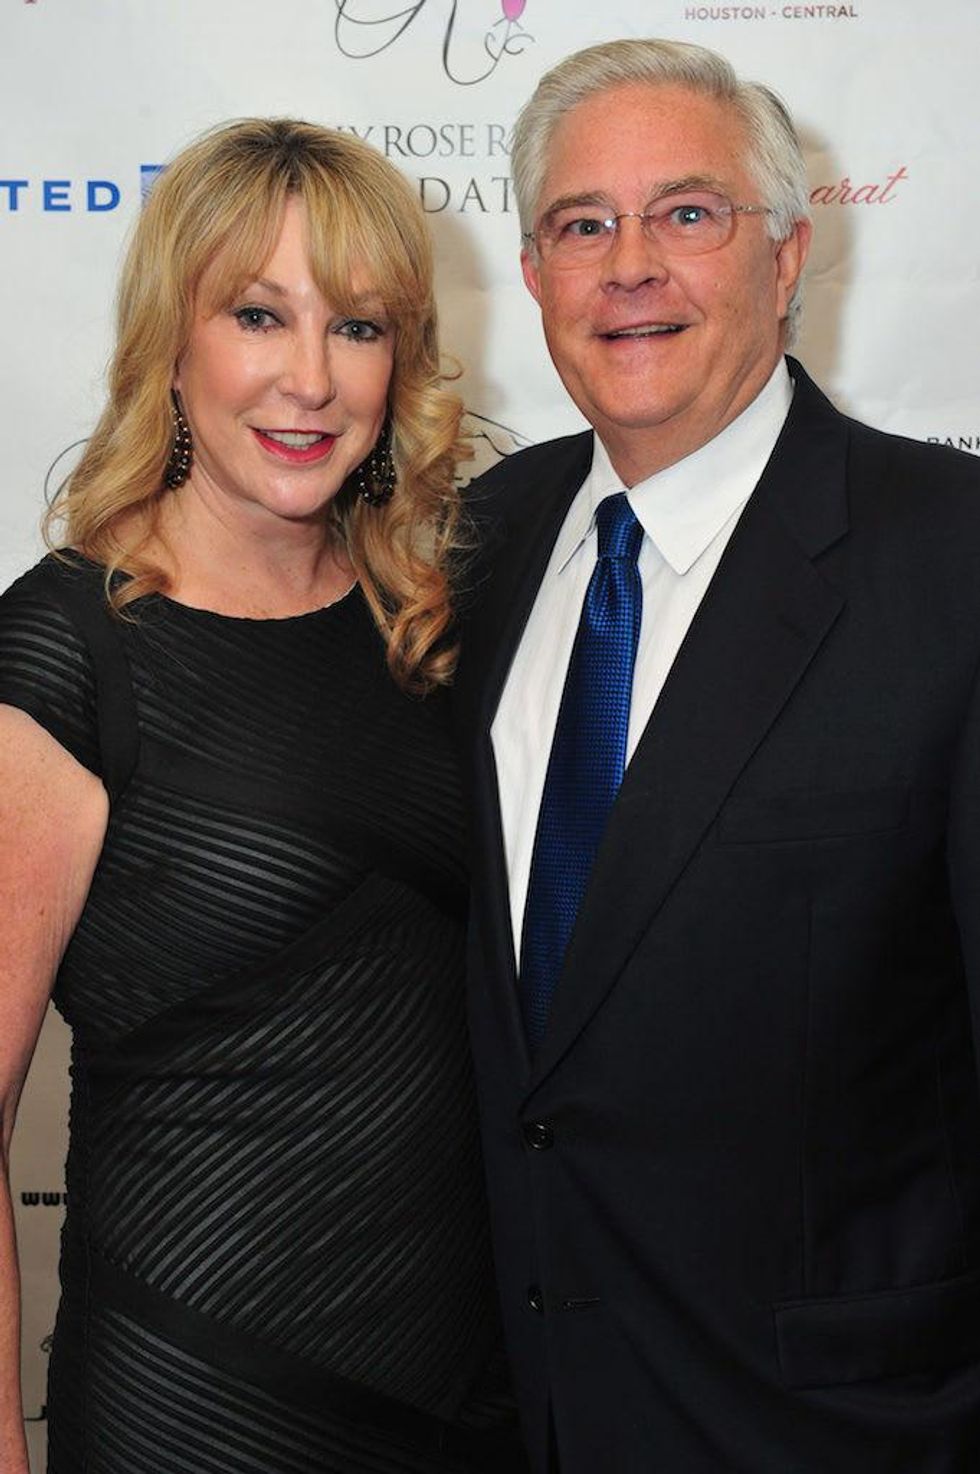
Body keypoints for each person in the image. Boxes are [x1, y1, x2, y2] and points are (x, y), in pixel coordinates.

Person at [452, 38, 980, 1473]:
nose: (630, 266)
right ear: (537, 271)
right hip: (514, 1415)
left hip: (841, 1434)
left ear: (789, 252)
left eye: (688, 214)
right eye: (582, 224)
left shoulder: (952, 559)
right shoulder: (476, 545)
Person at [0, 118, 526, 1474]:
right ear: (171, 340)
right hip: (197, 1403)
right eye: (255, 314)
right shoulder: (71, 647)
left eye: (356, 326)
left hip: (471, 1398)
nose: (310, 380)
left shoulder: (430, 618)